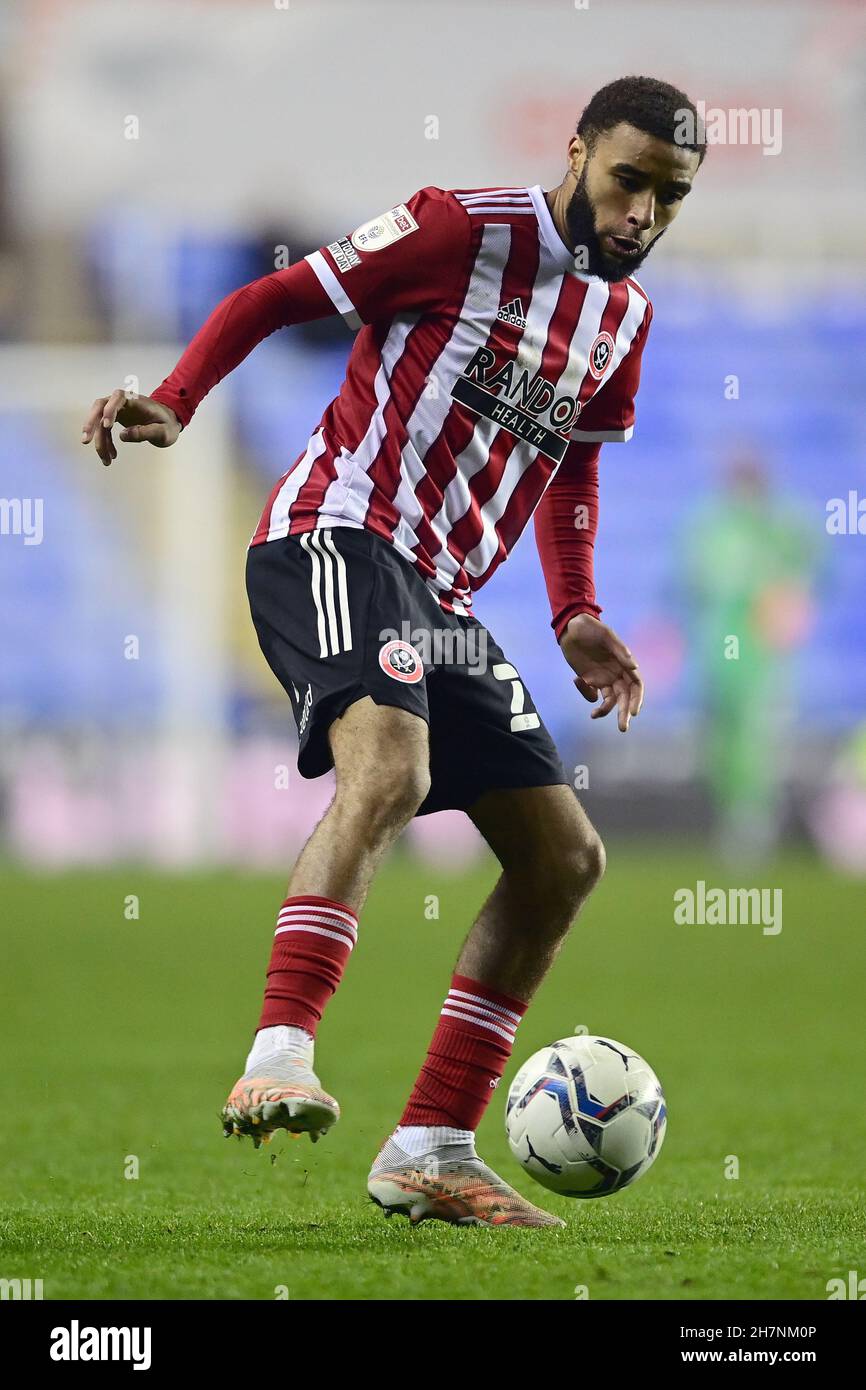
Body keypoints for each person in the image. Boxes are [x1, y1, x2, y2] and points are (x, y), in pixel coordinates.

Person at [81, 76, 704, 1227]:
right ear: (574, 153)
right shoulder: (457, 228)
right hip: (336, 531)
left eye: (668, 198)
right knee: (393, 767)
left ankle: (431, 1147)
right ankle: (278, 1052)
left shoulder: (623, 320)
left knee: (563, 859)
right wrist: (176, 398)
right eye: (626, 183)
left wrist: (574, 611)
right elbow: (273, 297)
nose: (641, 218)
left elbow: (570, 465)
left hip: (440, 594)